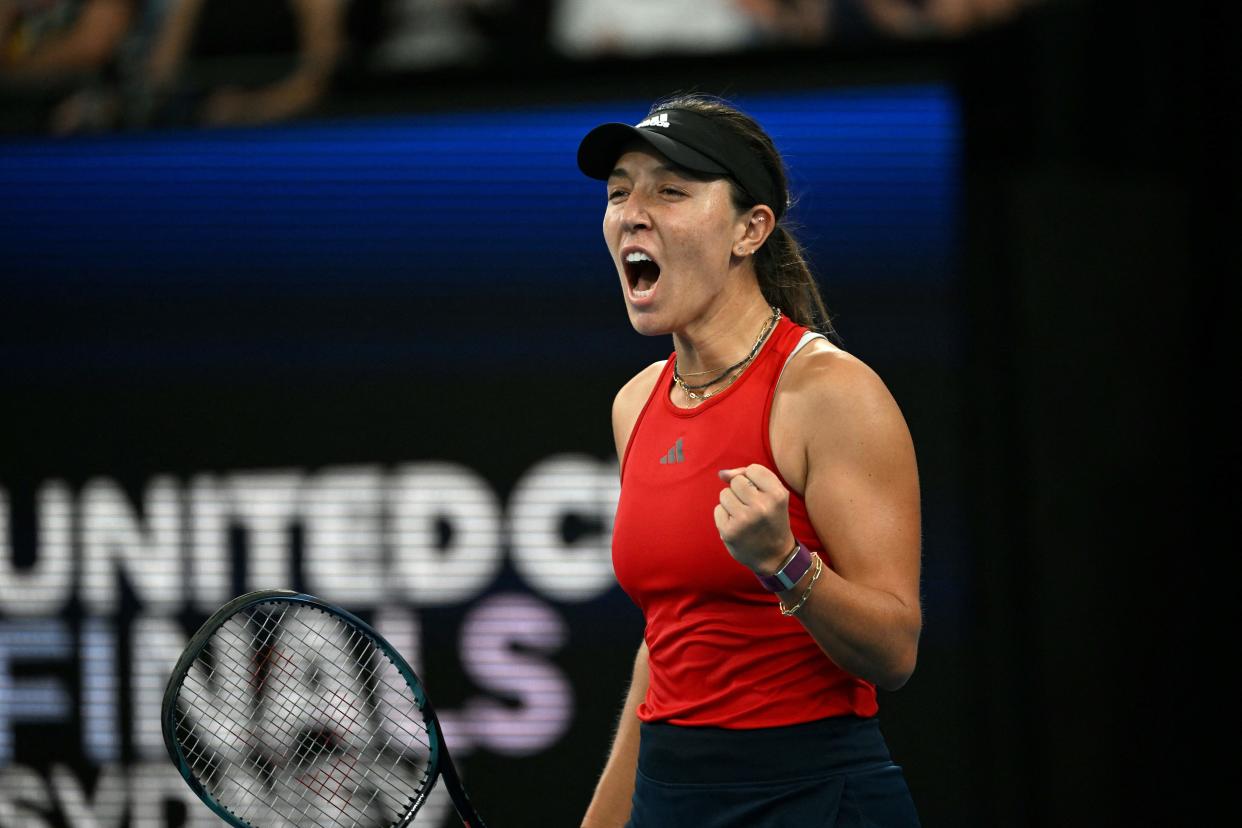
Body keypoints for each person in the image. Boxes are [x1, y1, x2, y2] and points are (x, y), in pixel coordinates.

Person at [576, 95, 923, 827]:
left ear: (750, 229)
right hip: (672, 798)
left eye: (670, 190)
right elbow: (669, 643)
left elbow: (893, 650)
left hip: (814, 798)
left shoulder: (830, 393)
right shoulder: (635, 404)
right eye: (618, 192)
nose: (633, 212)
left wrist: (786, 563)